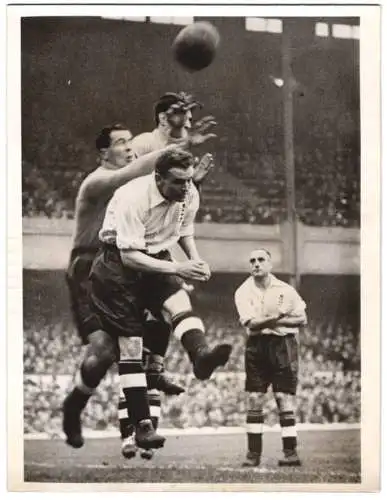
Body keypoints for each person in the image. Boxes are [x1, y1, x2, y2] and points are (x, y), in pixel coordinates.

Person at [62, 124, 214, 453]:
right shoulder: (98, 180)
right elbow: (138, 172)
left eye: (131, 141)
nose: (130, 148)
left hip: (134, 259)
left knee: (162, 311)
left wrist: (190, 180)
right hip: (91, 266)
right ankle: (74, 406)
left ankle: (155, 374)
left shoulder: (144, 186)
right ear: (103, 153)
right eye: (120, 143)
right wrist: (182, 144)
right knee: (102, 353)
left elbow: (171, 201)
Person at [90, 148, 232, 451]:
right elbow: (130, 257)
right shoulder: (133, 197)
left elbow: (184, 229)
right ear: (158, 178)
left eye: (189, 181)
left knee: (178, 299)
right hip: (117, 266)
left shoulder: (189, 191)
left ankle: (201, 356)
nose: (186, 188)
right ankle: (141, 427)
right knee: (130, 345)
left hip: (156, 256)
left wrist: (195, 260)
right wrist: (178, 267)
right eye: (179, 182)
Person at [234, 249, 307, 467]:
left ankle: (290, 453)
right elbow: (250, 324)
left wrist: (269, 321)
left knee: (283, 398)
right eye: (252, 260)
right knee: (255, 399)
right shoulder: (242, 292)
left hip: (283, 346)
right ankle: (253, 454)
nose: (256, 264)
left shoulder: (286, 289)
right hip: (257, 346)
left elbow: (302, 318)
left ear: (270, 264)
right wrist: (279, 317)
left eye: (260, 260)